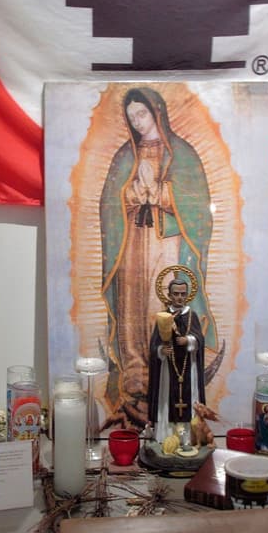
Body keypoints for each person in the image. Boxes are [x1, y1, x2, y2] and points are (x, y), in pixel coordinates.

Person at [100, 87, 214, 428]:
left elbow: (198, 207)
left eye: (142, 115)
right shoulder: (124, 156)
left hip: (168, 244)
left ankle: (166, 381)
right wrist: (132, 193)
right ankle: (134, 385)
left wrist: (163, 194)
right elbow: (108, 203)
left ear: (157, 113)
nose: (137, 122)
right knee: (132, 308)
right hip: (133, 242)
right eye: (132, 117)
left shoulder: (181, 154)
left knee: (158, 305)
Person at [147, 277, 207, 445]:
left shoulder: (191, 316)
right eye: (175, 294)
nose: (179, 297)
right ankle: (167, 437)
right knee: (168, 400)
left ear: (187, 295)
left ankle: (187, 438)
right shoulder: (163, 317)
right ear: (169, 295)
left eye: (182, 294)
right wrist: (161, 351)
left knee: (189, 400)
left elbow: (200, 340)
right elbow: (154, 345)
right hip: (168, 368)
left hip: (189, 366)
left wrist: (189, 340)